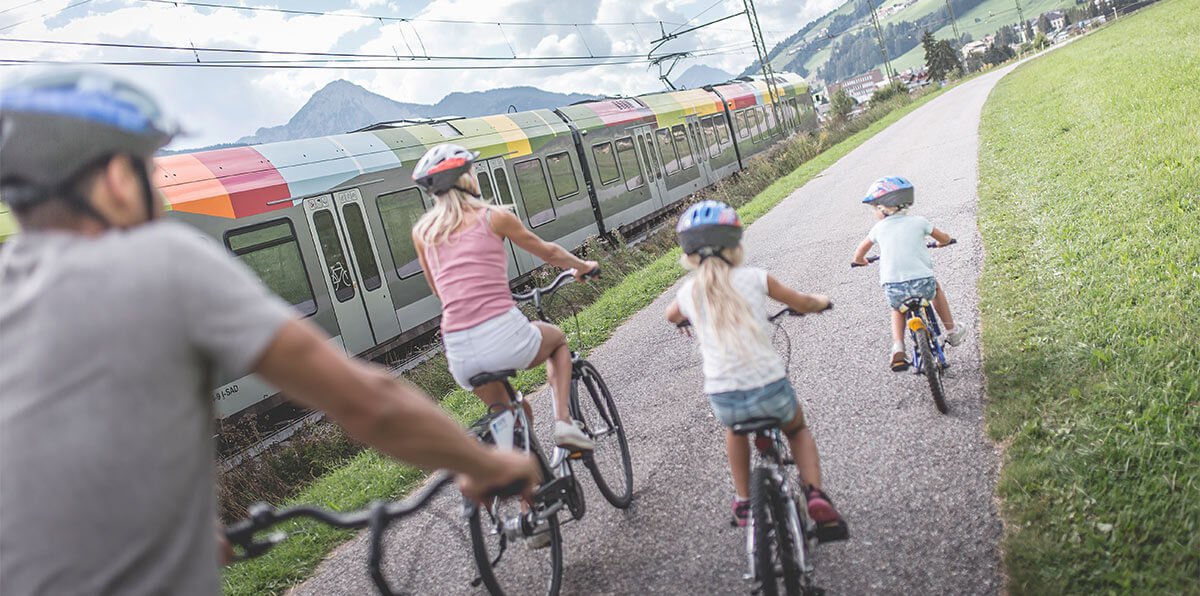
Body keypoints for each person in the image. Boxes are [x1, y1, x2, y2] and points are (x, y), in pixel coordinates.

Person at [0, 70, 538, 596]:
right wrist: (487, 463)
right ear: (119, 177)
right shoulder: (156, 258)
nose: (160, 200)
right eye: (150, 170)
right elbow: (370, 403)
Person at [664, 200, 847, 538]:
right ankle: (816, 496)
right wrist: (820, 302)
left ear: (689, 255)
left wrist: (684, 319)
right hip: (770, 387)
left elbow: (671, 315)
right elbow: (801, 302)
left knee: (735, 430)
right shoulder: (755, 278)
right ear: (735, 246)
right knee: (796, 429)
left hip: (724, 396)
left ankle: (745, 499)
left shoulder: (689, 292)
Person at [410, 144, 599, 452]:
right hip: (501, 332)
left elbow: (438, 290)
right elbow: (549, 252)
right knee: (558, 341)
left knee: (513, 415)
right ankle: (565, 423)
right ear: (466, 179)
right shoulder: (493, 217)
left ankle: (531, 496)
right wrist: (583, 266)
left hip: (459, 351)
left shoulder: (423, 233)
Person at [850, 176, 967, 371]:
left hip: (894, 287)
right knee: (936, 290)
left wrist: (860, 261)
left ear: (883, 209)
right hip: (923, 283)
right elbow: (943, 237)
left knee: (897, 309)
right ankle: (951, 331)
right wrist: (943, 242)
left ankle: (897, 346)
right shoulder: (919, 222)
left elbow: (860, 252)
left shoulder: (878, 229)